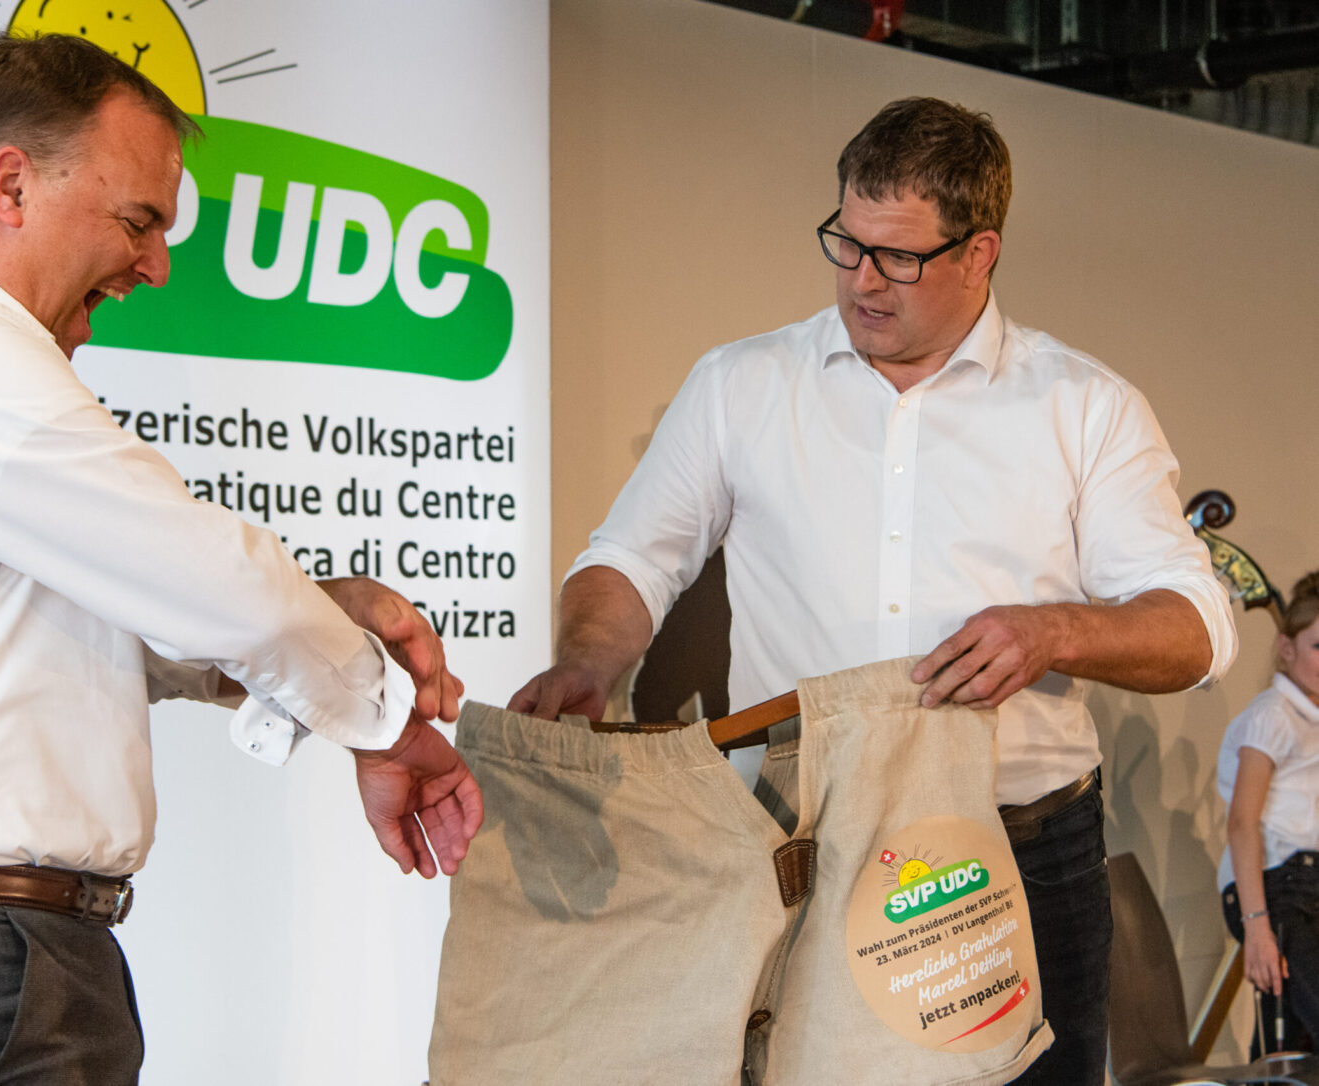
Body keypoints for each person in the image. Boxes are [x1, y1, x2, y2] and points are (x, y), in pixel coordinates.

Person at [0, 32, 480, 1085]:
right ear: (10, 184)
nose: (156, 265)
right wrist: (381, 718)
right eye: (139, 222)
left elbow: (99, 628)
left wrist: (323, 615)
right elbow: (213, 582)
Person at [509, 97, 1236, 1085]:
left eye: (897, 256)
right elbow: (634, 556)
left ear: (979, 254)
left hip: (1017, 848)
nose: (860, 279)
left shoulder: (1084, 407)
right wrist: (588, 662)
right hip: (795, 838)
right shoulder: (741, 384)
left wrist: (1053, 631)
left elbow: (1194, 627)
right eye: (845, 243)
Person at [1219, 572, 1319, 1058]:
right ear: (1286, 648)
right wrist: (1257, 925)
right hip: (1278, 889)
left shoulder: (1310, 718)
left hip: (1307, 886)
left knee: (1291, 1047)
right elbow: (1242, 822)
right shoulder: (1274, 714)